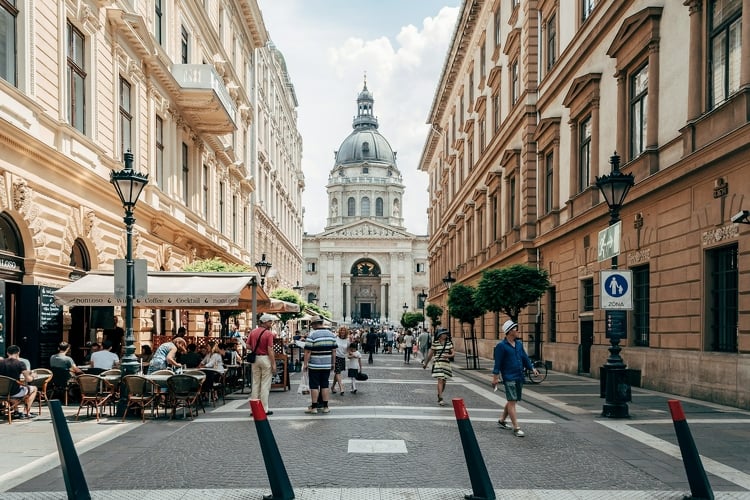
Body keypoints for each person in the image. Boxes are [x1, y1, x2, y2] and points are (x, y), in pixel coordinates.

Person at [491, 320, 538, 437]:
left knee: (513, 400)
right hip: (509, 377)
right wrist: (495, 378)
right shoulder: (501, 346)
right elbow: (498, 364)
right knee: (512, 402)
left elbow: (525, 358)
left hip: (519, 376)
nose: (518, 330)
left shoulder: (519, 344)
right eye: (516, 329)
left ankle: (502, 420)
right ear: (510, 331)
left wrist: (532, 368)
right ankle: (516, 427)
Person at [302, 315, 337, 414]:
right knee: (324, 385)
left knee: (314, 386)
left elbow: (307, 351)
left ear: (315, 324)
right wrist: (333, 364)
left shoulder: (312, 335)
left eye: (312, 324)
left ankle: (314, 407)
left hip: (314, 365)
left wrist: (305, 364)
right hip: (326, 364)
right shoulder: (331, 334)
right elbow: (334, 351)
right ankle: (326, 407)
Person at [246, 313, 278, 415]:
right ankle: (264, 409)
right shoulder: (268, 334)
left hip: (255, 359)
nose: (271, 323)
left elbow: (247, 345)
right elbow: (270, 350)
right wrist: (273, 364)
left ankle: (254, 409)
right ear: (264, 322)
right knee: (265, 385)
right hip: (265, 359)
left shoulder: (253, 332)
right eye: (269, 321)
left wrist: (255, 349)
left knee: (255, 383)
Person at [0, 345, 38, 419]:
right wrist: (33, 376)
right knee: (34, 388)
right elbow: (28, 379)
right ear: (18, 353)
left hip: (1, 392)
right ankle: (26, 412)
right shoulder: (20, 363)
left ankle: (16, 410)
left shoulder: (1, 363)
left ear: (7, 353)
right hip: (14, 392)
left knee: (16, 389)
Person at [422, 328, 454, 406]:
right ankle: (440, 398)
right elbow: (430, 355)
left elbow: (453, 354)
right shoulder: (435, 344)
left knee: (444, 382)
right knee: (440, 379)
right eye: (444, 334)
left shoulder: (449, 343)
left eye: (446, 334)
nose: (445, 335)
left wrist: (448, 355)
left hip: (446, 364)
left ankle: (439, 394)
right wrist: (426, 363)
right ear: (439, 335)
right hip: (438, 363)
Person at [332, 326, 349, 394]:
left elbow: (348, 349)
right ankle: (341, 388)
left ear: (346, 332)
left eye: (344, 331)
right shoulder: (336, 338)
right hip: (336, 357)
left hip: (342, 357)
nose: (342, 332)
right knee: (338, 372)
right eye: (341, 330)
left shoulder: (347, 340)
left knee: (337, 373)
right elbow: (333, 349)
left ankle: (332, 387)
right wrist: (333, 360)